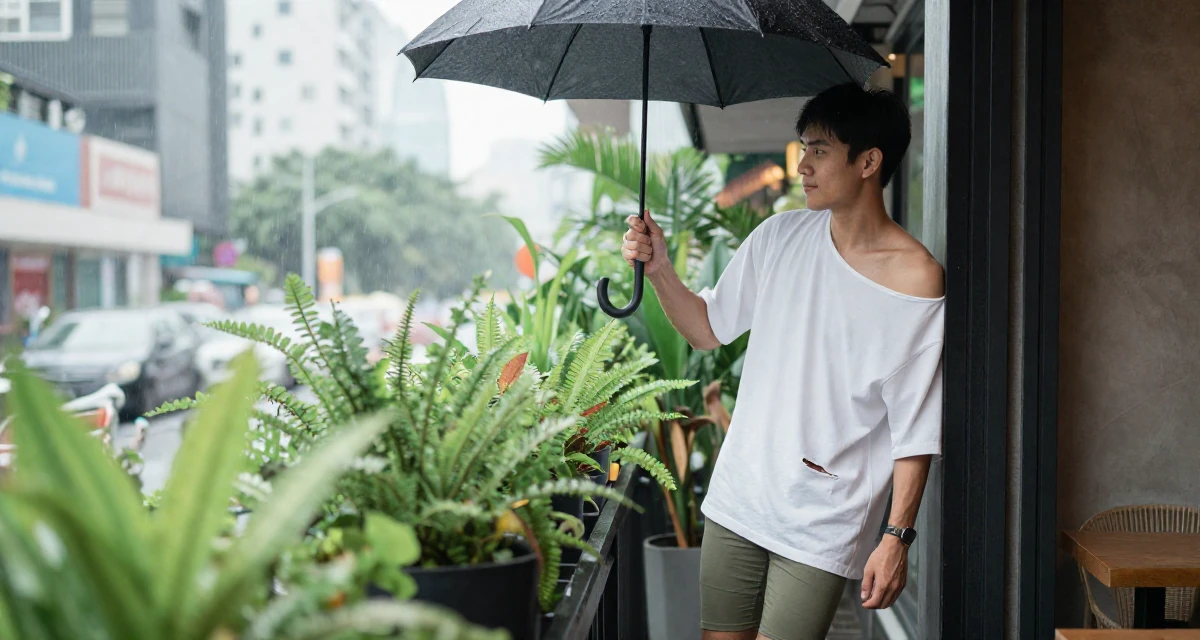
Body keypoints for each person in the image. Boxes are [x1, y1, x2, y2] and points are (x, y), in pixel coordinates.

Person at [622, 83, 944, 640]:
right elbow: (705, 329)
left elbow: (914, 427)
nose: (802, 165)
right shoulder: (778, 237)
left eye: (820, 149)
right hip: (740, 497)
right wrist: (659, 270)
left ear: (869, 161)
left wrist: (897, 537)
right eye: (803, 147)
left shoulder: (916, 278)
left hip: (824, 517)